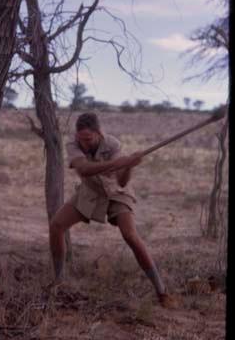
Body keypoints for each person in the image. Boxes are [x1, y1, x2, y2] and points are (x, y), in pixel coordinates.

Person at [48, 112, 176, 308]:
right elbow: (83, 170)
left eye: (88, 139)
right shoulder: (72, 144)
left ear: (99, 133)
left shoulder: (113, 144)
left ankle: (162, 292)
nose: (84, 143)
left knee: (130, 235)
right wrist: (116, 163)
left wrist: (129, 166)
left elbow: (122, 181)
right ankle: (58, 282)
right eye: (81, 138)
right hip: (90, 192)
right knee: (56, 225)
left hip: (117, 192)